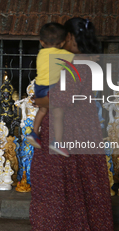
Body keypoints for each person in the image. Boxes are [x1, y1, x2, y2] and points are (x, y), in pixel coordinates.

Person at [30, 18, 114, 230]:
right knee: (86, 180)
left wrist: (36, 100)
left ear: (70, 38)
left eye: (64, 36)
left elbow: (62, 98)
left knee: (62, 182)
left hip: (68, 129)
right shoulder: (85, 61)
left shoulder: (73, 63)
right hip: (85, 125)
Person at [27, 22, 74, 157]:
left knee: (42, 110)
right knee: (58, 113)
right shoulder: (64, 54)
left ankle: (34, 132)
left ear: (42, 42)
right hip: (52, 88)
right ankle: (57, 142)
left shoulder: (41, 54)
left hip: (39, 87)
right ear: (62, 43)